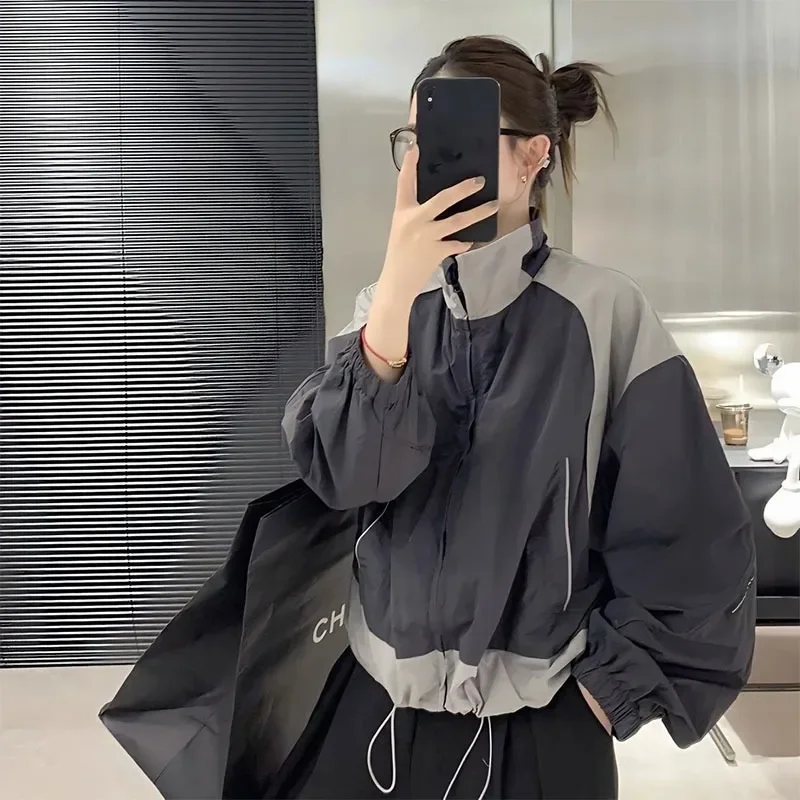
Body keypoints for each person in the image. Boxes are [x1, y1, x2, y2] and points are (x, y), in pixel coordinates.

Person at [280, 36, 755, 800]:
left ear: (534, 155)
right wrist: (397, 290)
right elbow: (344, 477)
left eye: (452, 133)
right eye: (413, 140)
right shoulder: (384, 311)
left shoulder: (604, 312)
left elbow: (691, 537)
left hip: (543, 732)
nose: (426, 160)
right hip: (375, 721)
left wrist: (605, 695)